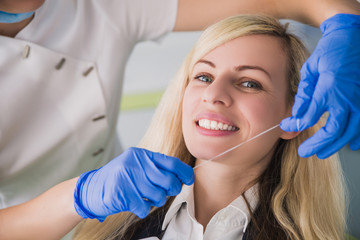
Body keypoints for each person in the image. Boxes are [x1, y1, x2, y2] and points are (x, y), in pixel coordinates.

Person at [0, 0, 358, 239]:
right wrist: (78, 199)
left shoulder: (100, 7)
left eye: (250, 82)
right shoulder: (117, 228)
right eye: (202, 76)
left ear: (292, 113)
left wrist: (347, 23)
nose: (213, 94)